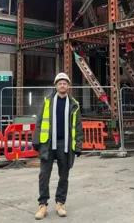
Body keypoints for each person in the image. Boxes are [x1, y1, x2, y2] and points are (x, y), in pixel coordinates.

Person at [32, 72, 84, 220]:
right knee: (44, 175)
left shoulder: (74, 104)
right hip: (48, 143)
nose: (62, 85)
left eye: (65, 83)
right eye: (60, 83)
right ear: (55, 86)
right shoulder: (48, 101)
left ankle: (60, 203)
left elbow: (79, 127)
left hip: (65, 145)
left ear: (68, 86)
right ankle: (43, 205)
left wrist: (78, 145)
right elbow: (40, 121)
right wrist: (36, 141)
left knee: (64, 176)